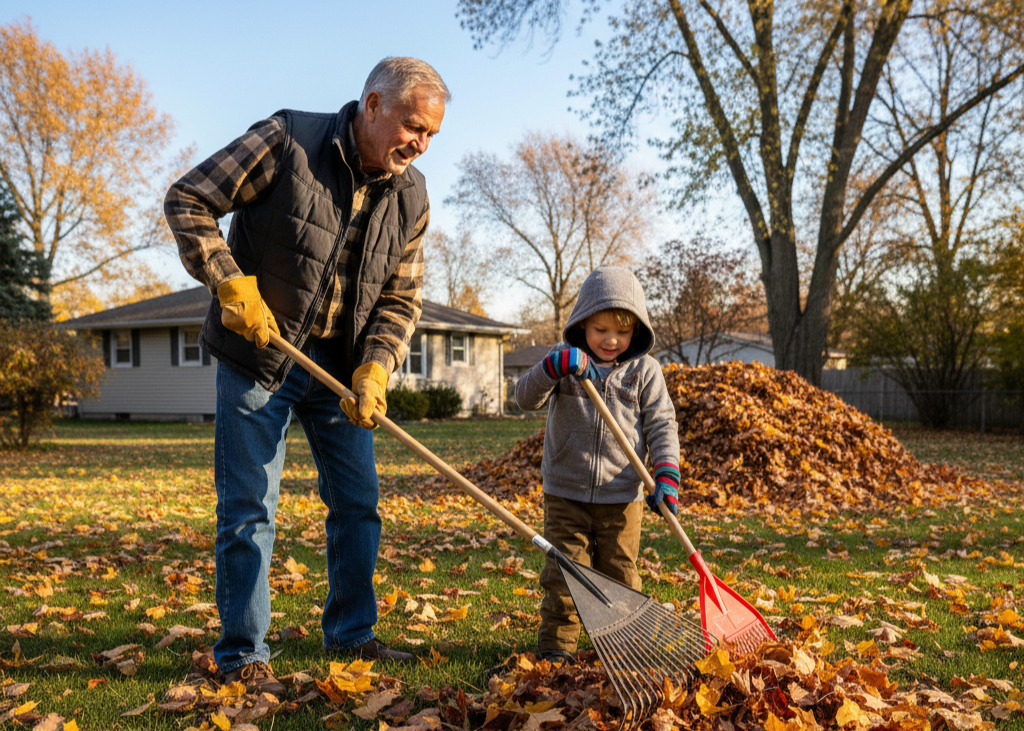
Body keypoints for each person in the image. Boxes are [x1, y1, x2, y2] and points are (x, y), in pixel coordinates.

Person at [163, 57, 450, 695]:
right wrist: (227, 280)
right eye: (412, 126)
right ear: (372, 105)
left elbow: (400, 299)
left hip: (341, 376)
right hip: (262, 358)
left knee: (358, 505)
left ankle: (352, 634)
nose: (420, 144)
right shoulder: (287, 139)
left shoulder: (413, 195)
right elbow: (188, 198)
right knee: (248, 511)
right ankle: (243, 654)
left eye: (430, 135)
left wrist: (377, 367)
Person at [513, 267, 680, 663]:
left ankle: (625, 646)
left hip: (622, 497)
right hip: (564, 493)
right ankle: (558, 648)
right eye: (600, 329)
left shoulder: (644, 372)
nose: (610, 340)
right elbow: (524, 397)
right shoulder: (563, 360)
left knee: (620, 574)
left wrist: (666, 475)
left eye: (621, 332)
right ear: (582, 323)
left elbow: (661, 425)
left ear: (635, 331)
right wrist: (554, 368)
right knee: (564, 574)